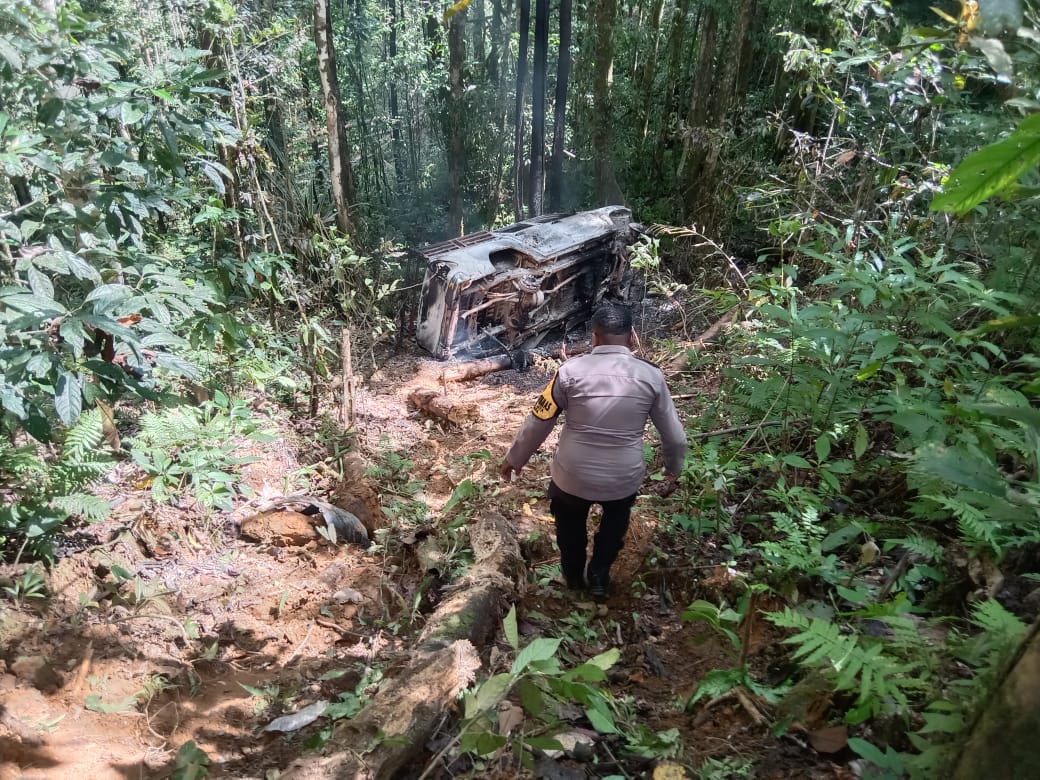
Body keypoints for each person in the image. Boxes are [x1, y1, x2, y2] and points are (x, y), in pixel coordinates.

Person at [498, 302, 687, 601]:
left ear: (594, 338)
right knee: (615, 524)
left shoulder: (569, 371)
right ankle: (599, 576)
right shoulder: (652, 377)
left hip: (571, 476)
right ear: (633, 337)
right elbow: (675, 437)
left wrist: (514, 458)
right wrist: (673, 468)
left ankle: (573, 577)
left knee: (569, 526)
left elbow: (539, 421)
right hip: (622, 479)